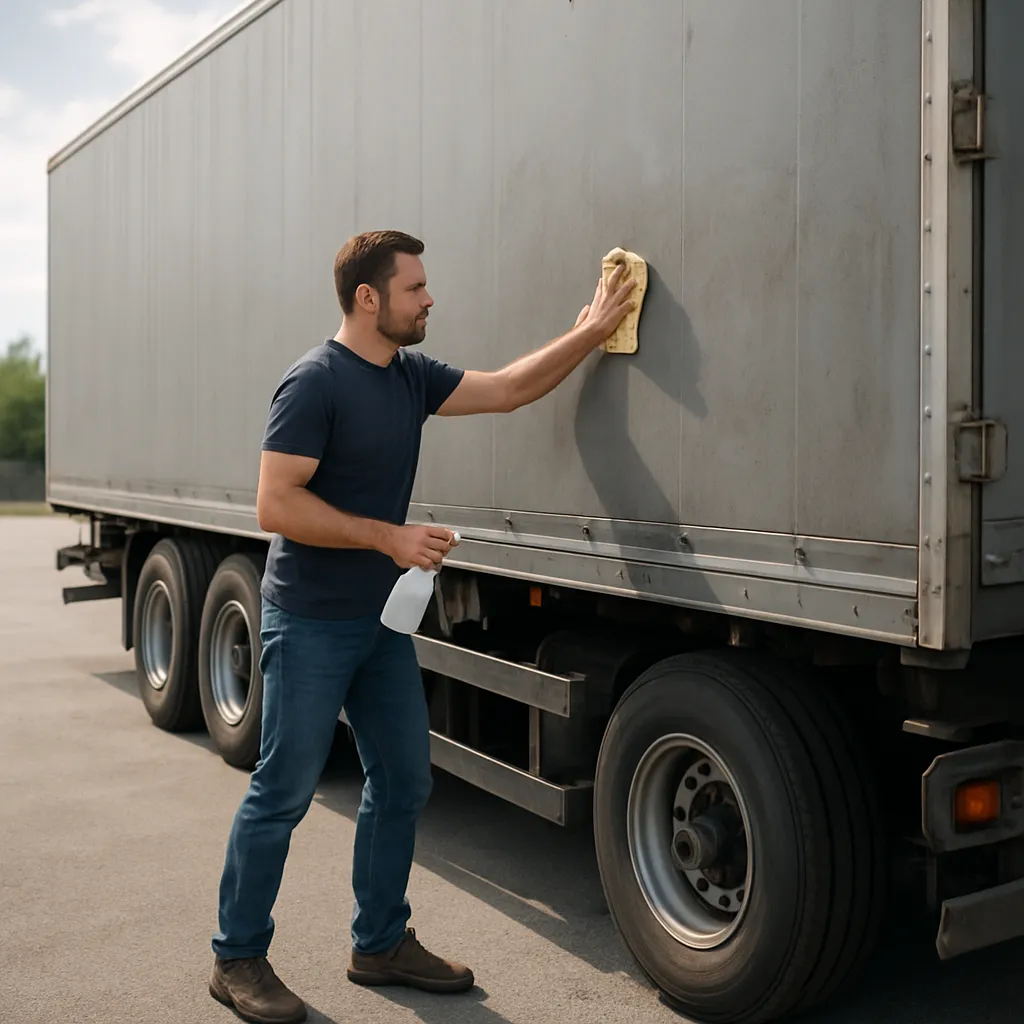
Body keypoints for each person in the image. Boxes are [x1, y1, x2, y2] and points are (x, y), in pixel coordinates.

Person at [208, 230, 636, 1024]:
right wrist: (389, 538)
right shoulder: (314, 382)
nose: (430, 298)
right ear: (368, 298)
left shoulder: (410, 376)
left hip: (378, 624)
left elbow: (508, 389)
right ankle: (236, 956)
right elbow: (275, 505)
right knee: (284, 791)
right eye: (415, 288)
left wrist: (590, 331)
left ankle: (379, 945)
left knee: (405, 780)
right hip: (307, 622)